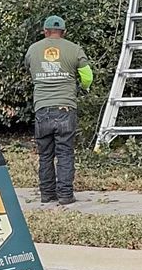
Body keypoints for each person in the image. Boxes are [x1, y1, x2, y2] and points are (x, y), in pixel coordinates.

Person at [26, 14, 94, 205]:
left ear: (45, 31)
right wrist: (84, 87)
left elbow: (29, 68)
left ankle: (47, 194)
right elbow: (87, 76)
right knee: (65, 152)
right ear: (64, 32)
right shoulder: (74, 49)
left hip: (42, 108)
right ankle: (65, 195)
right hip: (65, 108)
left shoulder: (34, 49)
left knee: (45, 154)